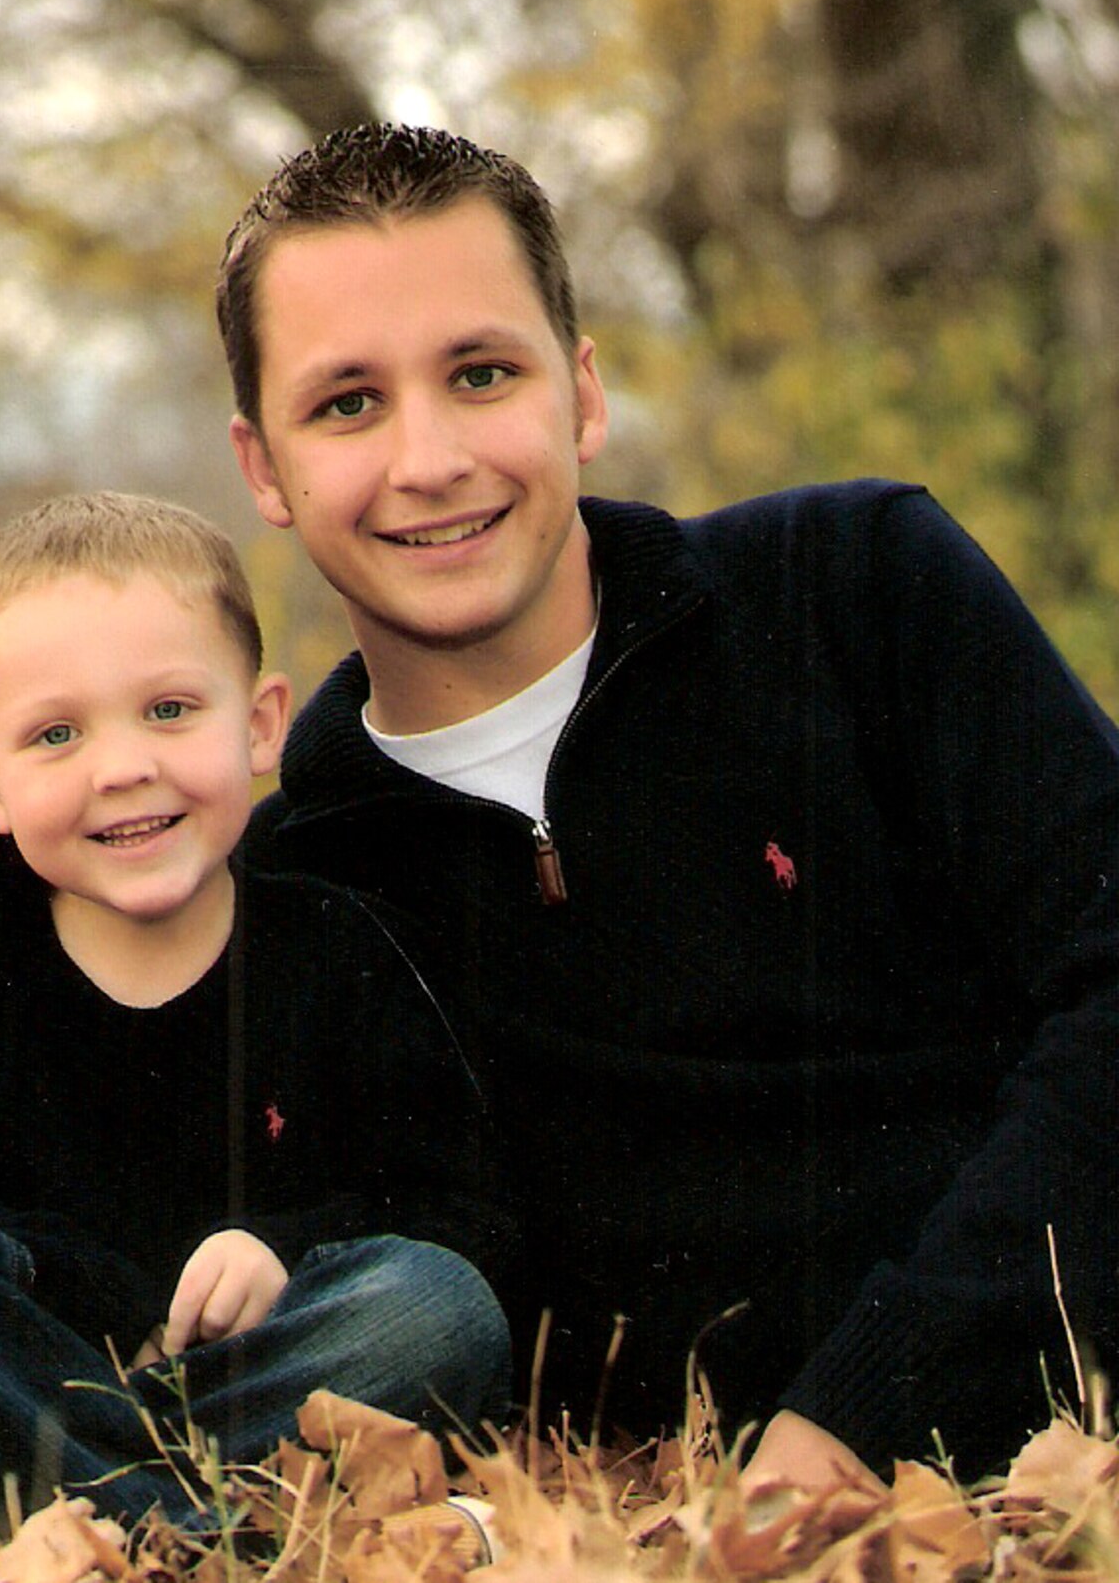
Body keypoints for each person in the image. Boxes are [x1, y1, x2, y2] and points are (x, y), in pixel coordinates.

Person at [216, 123, 1119, 1491]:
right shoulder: (287, 891)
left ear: (581, 393)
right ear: (262, 469)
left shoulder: (855, 588)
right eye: (347, 404)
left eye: (480, 373)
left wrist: (870, 1410)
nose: (428, 458)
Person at [0, 492, 515, 1529]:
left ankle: (106, 1518)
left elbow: (453, 1204)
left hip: (253, 1374)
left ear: (259, 725)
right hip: (14, 1362)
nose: (122, 768)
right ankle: (184, 1530)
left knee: (436, 1306)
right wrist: (84, 1295)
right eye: (55, 734)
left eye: (168, 710)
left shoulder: (336, 947)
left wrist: (282, 1250)